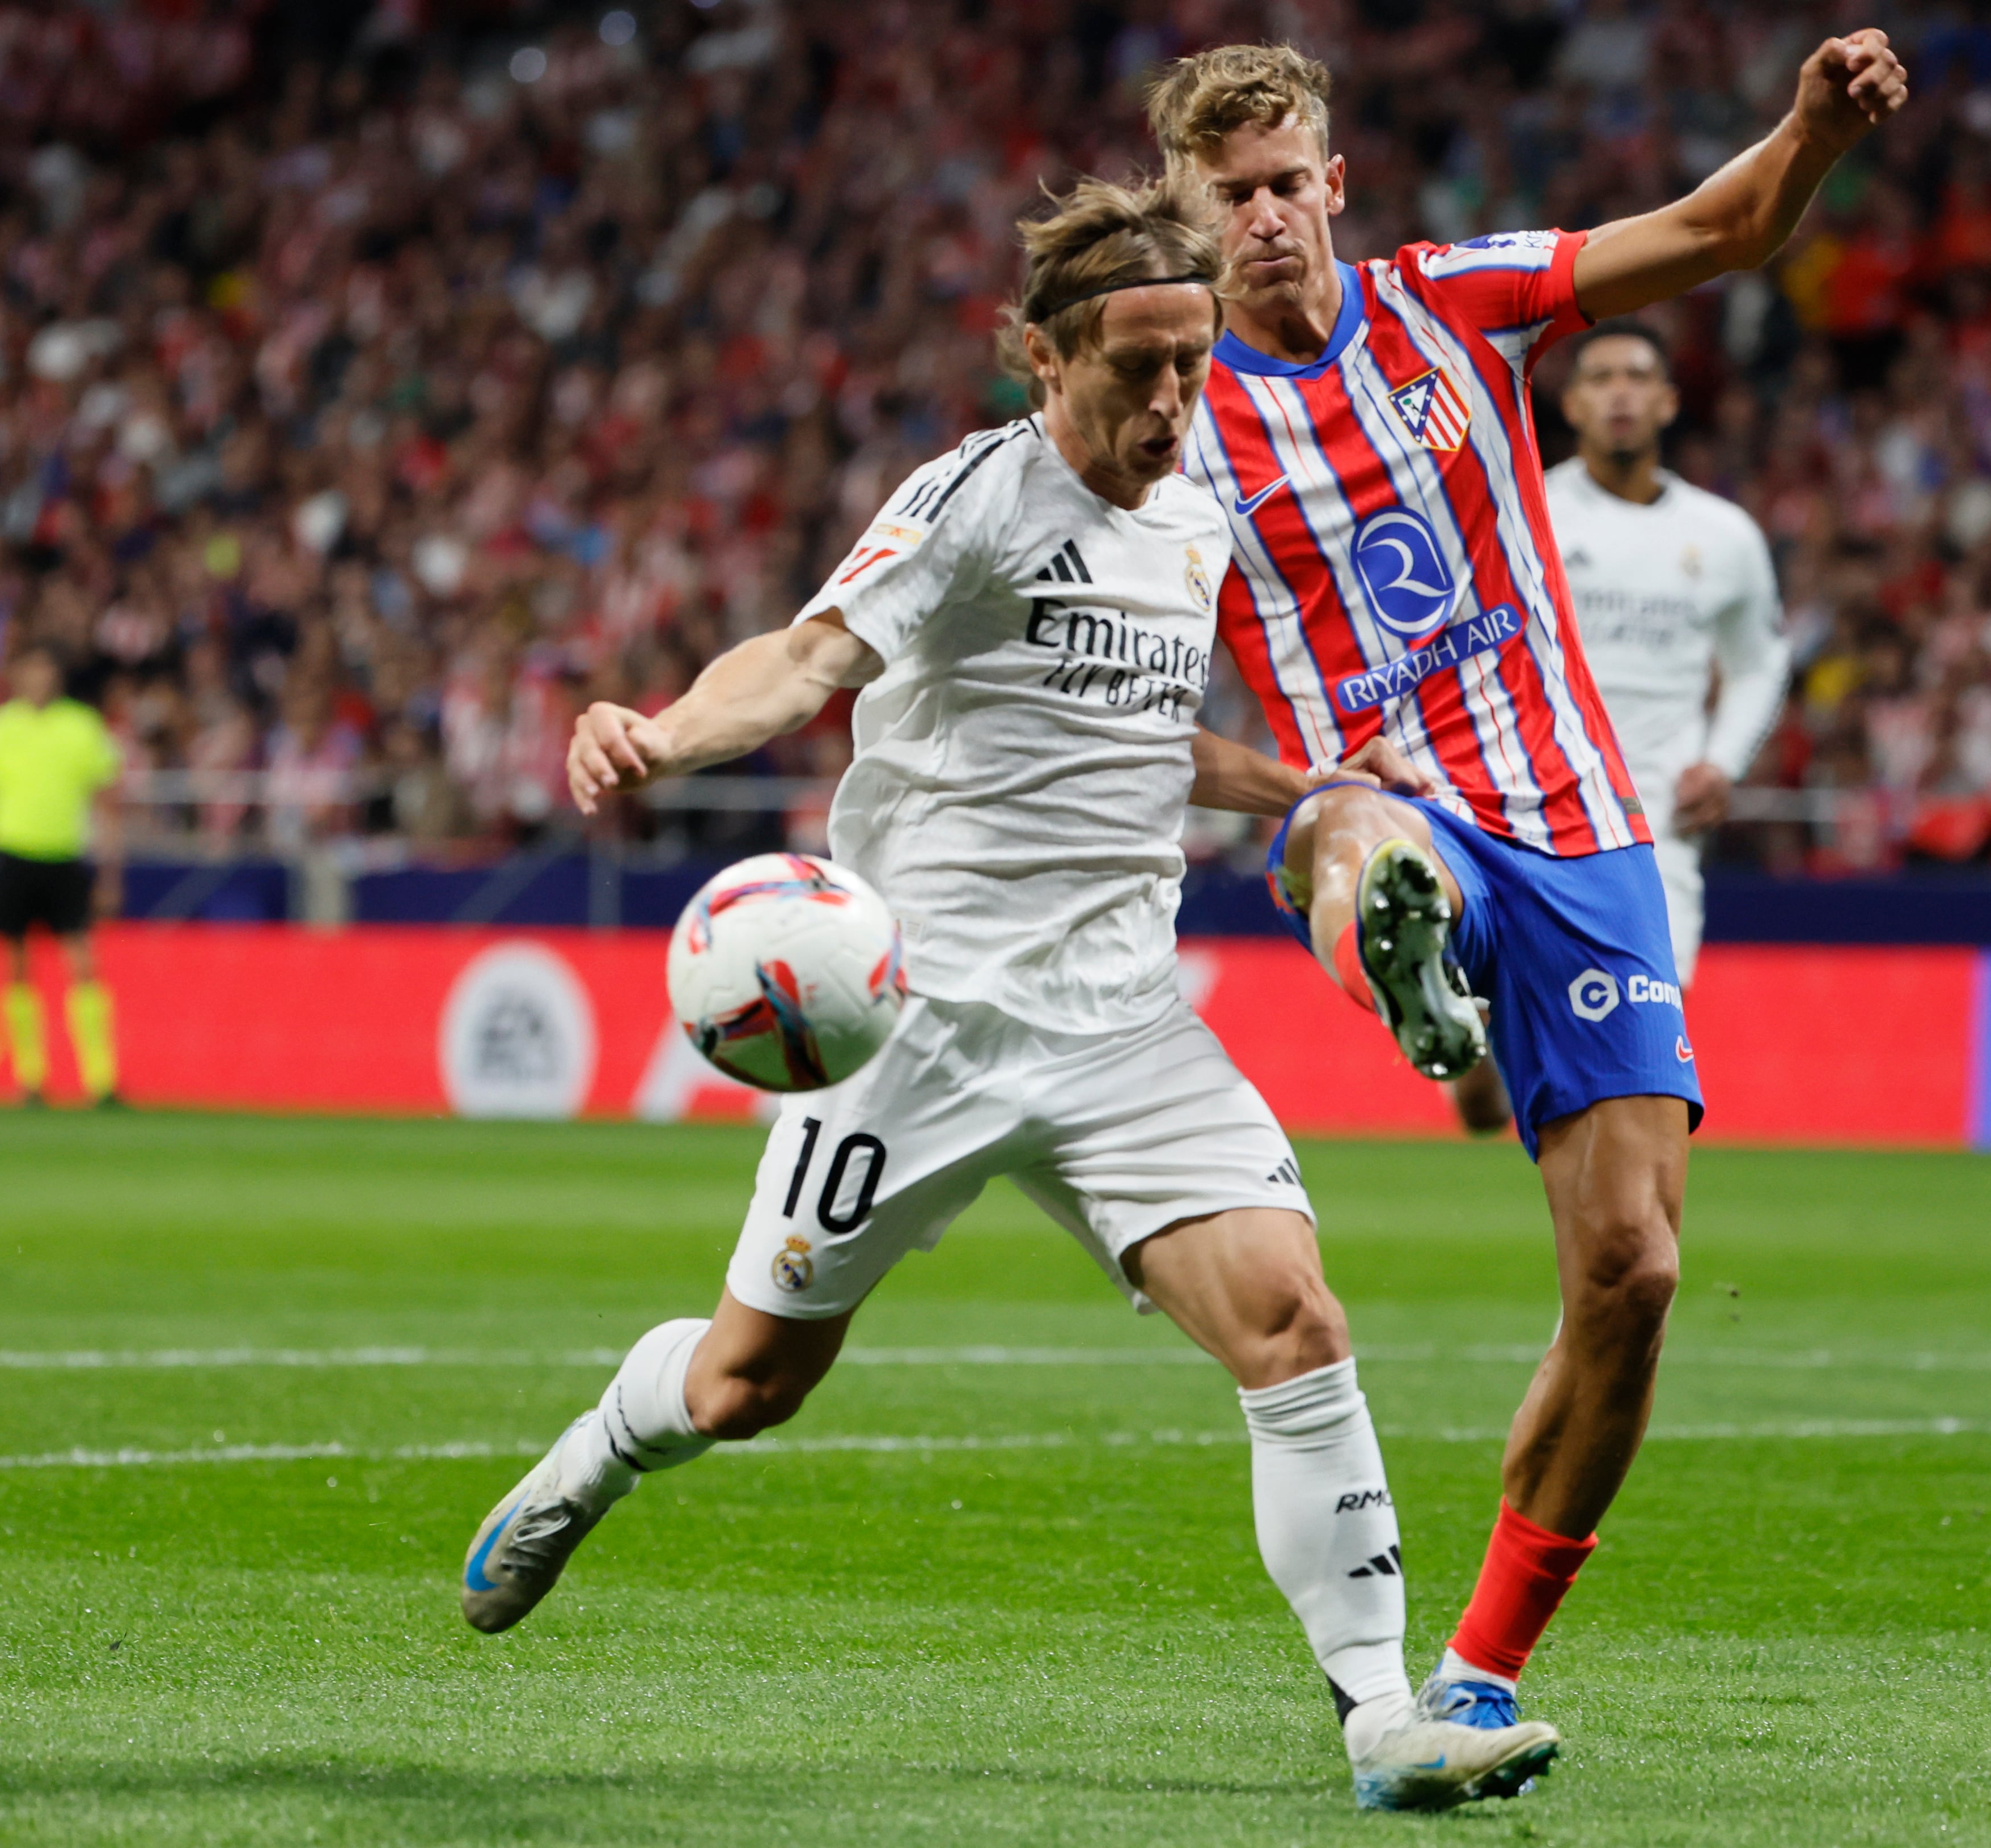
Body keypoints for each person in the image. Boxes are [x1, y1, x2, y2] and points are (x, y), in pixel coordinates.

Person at [456, 176, 1558, 1815]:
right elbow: (812, 656)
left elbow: (1132, 731)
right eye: (1138, 371)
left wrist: (1298, 779)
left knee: (1294, 1320)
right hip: (919, 1025)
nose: (1173, 405)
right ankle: (595, 1458)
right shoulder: (972, 498)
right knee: (747, 1388)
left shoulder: (1191, 520)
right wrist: (665, 732)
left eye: (1192, 367)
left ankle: (1385, 1719)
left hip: (1123, 1020)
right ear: (1045, 361)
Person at [1151, 33, 1905, 1741]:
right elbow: (1077, 645)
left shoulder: (1456, 302)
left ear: (1333, 184)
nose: (1265, 217)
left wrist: (1809, 132)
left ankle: (1478, 1672)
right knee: (1360, 831)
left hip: (1578, 821)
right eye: (1231, 197)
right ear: (1195, 216)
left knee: (1631, 1273)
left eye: (1287, 184)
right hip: (1373, 795)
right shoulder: (1172, 423)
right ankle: (1400, 958)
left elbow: (1717, 235)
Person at [1447, 324, 1791, 1132]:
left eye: (1638, 376)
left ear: (1669, 401)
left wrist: (1723, 761)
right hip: (1529, 804)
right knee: (1502, 1093)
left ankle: (1621, 1223)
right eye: (1599, 378)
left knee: (1641, 1041)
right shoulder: (1522, 509)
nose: (1620, 393)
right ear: (1570, 404)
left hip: (1655, 821)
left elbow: (1758, 665)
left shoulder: (1724, 536)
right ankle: (1486, 1050)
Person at [0, 641, 124, 1107]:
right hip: (12, 854)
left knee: (84, 964)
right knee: (17, 968)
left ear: (57, 676)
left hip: (65, 856)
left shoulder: (82, 726)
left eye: (47, 668)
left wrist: (111, 872)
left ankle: (101, 1081)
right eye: (31, 668)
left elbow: (108, 804)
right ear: (17, 675)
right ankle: (31, 1080)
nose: (39, 678)